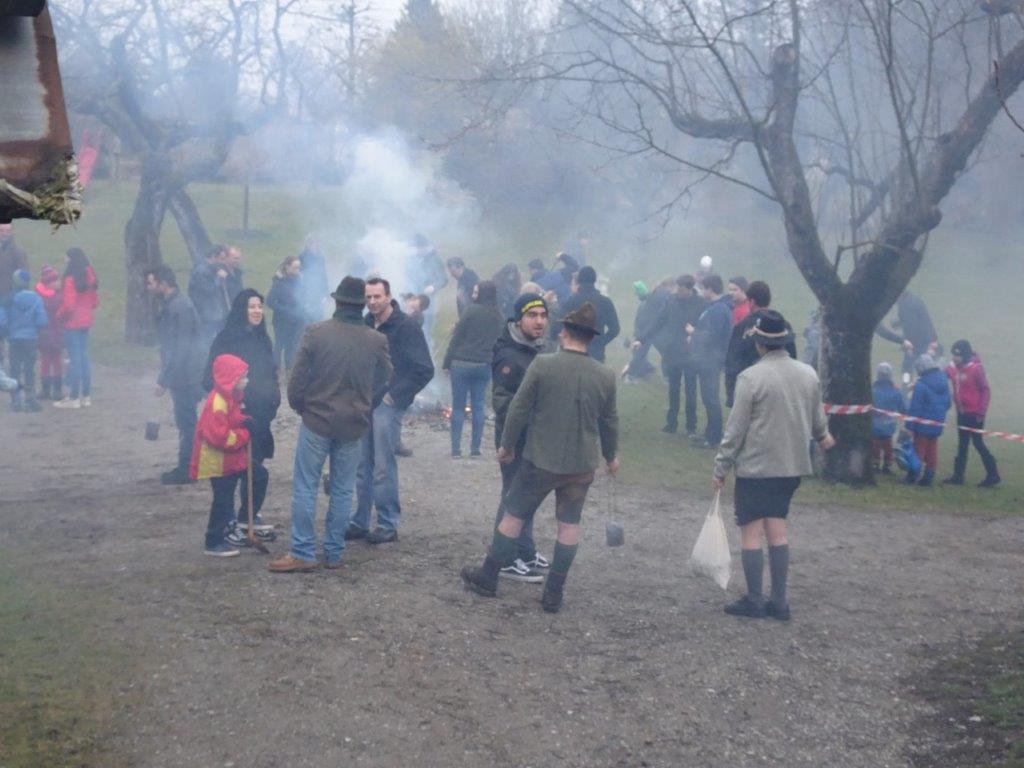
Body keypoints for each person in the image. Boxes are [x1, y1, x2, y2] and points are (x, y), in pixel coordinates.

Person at [461, 302, 619, 614]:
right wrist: (611, 456)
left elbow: (518, 408)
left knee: (513, 515)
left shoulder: (543, 365)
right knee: (569, 525)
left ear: (564, 332)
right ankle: (553, 594)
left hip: (540, 461)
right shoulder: (605, 375)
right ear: (591, 338)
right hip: (581, 466)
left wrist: (506, 445)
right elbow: (609, 421)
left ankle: (489, 576)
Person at [712, 310, 835, 621]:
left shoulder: (750, 378)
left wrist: (721, 466)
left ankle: (754, 599)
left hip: (756, 467)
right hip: (791, 467)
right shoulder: (808, 374)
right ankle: (779, 602)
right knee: (777, 529)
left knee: (752, 533)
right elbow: (817, 418)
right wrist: (823, 437)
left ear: (759, 344)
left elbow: (736, 430)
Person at [269, 277, 393, 572]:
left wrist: (301, 405)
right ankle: (334, 553)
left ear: (337, 302)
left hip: (317, 420)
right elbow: (386, 377)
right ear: (362, 305)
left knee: (306, 486)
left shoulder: (316, 333)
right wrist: (367, 404)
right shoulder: (375, 340)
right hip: (353, 423)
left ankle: (302, 551)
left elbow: (297, 377)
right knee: (342, 490)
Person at [349, 277, 434, 544]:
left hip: (387, 406)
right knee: (362, 464)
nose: (372, 302)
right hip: (364, 402)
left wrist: (393, 396)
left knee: (383, 465)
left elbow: (424, 369)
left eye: (377, 296)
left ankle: (387, 523)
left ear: (388, 296)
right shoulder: (364, 324)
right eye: (368, 297)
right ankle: (360, 521)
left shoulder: (406, 326)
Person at [204, 289, 281, 543]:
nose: (257, 311)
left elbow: (271, 372)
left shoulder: (263, 338)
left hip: (259, 417)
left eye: (259, 306)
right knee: (230, 474)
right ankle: (226, 524)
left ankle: (247, 516)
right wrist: (235, 402)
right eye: (251, 307)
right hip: (235, 417)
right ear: (241, 310)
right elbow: (210, 377)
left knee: (255, 468)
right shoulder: (227, 339)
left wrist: (274, 399)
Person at [490, 292, 553, 582]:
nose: (539, 321)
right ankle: (503, 557)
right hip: (514, 438)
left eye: (543, 315)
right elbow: (503, 403)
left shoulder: (534, 349)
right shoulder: (509, 355)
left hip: (533, 436)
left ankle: (524, 550)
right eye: (532, 315)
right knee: (513, 495)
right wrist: (510, 442)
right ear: (518, 320)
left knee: (527, 494)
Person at [146, 266, 206, 485]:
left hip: (187, 375)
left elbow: (180, 348)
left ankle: (187, 469)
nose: (148, 287)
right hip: (186, 373)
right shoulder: (175, 304)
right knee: (187, 421)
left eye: (151, 283)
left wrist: (164, 379)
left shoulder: (179, 307)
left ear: (163, 283)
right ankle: (190, 466)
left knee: (187, 423)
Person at [189, 354, 251, 558]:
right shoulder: (218, 401)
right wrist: (244, 434)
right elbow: (219, 436)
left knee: (225, 498)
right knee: (222, 500)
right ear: (231, 378)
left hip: (226, 460)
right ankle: (213, 541)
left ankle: (223, 534)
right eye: (243, 376)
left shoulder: (229, 397)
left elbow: (230, 421)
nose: (247, 381)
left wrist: (245, 420)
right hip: (217, 461)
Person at [632, 274, 706, 435]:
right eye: (677, 289)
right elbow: (658, 321)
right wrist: (641, 339)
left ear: (690, 289)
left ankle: (691, 426)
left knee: (691, 390)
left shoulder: (701, 303)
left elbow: (706, 327)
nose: (678, 292)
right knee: (673, 388)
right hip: (673, 351)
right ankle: (671, 423)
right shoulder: (671, 301)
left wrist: (696, 335)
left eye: (681, 290)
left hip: (691, 353)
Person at [443, 280, 504, 457]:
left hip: (461, 364)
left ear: (483, 294)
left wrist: (447, 362)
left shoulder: (470, 311)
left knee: (458, 407)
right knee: (478, 406)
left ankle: (456, 449)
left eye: (476, 292)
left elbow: (457, 339)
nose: (473, 295)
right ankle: (475, 449)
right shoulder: (498, 316)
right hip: (483, 365)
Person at [724, 281, 796, 407]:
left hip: (750, 387)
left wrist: (731, 395)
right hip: (780, 388)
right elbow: (792, 356)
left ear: (751, 301)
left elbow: (732, 361)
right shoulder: (783, 325)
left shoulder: (742, 327)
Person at [944, 339, 1000, 487]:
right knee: (962, 445)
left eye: (958, 355)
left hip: (975, 414)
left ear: (965, 355)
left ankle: (993, 475)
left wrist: (981, 413)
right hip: (961, 413)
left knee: (978, 443)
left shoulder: (976, 369)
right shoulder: (952, 368)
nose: (955, 358)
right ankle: (958, 476)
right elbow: (939, 375)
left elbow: (985, 391)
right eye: (953, 354)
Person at [689, 274, 732, 448]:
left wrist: (693, 333)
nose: (701, 292)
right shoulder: (714, 307)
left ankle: (714, 437)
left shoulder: (718, 310)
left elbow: (712, 335)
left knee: (711, 398)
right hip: (707, 359)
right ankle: (710, 432)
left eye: (703, 288)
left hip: (712, 360)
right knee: (708, 398)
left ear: (710, 289)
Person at [54, 248, 99, 409]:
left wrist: (58, 315)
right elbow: (95, 302)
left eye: (66, 257)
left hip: (72, 323)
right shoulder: (90, 275)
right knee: (84, 357)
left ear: (71, 259)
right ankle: (86, 396)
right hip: (86, 321)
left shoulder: (70, 278)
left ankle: (73, 397)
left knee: (75, 360)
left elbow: (69, 305)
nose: (65, 260)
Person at [905, 353, 952, 487]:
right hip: (937, 423)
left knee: (918, 451)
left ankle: (912, 476)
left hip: (922, 425)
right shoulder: (943, 381)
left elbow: (915, 408)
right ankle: (929, 476)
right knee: (932, 450)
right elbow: (948, 403)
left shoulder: (920, 385)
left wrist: (910, 426)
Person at [557, 266, 620, 362]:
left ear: (579, 280)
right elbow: (615, 329)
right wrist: (601, 342)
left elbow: (557, 326)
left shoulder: (571, 301)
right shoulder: (605, 302)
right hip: (596, 355)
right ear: (594, 280)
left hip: (572, 353)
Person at [5, 269, 47, 412]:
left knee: (14, 370)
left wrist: (8, 330)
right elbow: (42, 320)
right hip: (30, 339)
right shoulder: (36, 298)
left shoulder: (9, 299)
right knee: (29, 369)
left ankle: (16, 400)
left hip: (14, 339)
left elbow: (2, 319)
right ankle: (30, 399)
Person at [875, 291, 937, 384]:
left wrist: (909, 345)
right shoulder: (915, 299)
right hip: (927, 340)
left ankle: (906, 386)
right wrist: (898, 322)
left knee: (907, 369)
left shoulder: (904, 305)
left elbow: (911, 326)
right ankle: (924, 384)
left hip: (916, 344)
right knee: (925, 365)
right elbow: (920, 318)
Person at [267, 254, 305, 374]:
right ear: (287, 267)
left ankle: (289, 369)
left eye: (299, 267)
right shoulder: (279, 282)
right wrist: (285, 310)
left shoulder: (299, 280)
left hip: (296, 320)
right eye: (295, 267)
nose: (297, 270)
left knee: (292, 345)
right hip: (281, 321)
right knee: (280, 345)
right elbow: (270, 301)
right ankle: (276, 369)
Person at [0, 224, 28, 368]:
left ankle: (15, 367)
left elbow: (24, 275)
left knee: (13, 333)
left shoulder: (17, 252)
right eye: (2, 230)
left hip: (11, 298)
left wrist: (17, 295)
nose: (5, 233)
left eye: (8, 230)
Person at [35, 266, 63, 401]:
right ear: (48, 283)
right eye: (55, 280)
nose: (58, 282)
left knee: (45, 361)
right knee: (56, 361)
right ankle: (57, 390)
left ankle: (45, 389)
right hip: (56, 332)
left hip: (43, 334)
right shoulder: (58, 297)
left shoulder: (38, 296)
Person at [871, 362, 905, 474]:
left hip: (875, 424)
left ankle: (875, 464)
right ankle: (887, 465)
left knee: (875, 445)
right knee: (888, 445)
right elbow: (902, 407)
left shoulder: (872, 390)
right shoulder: (896, 390)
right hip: (890, 424)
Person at [297, 235, 330, 324]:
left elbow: (323, 275)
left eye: (319, 242)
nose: (318, 245)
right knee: (307, 318)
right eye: (315, 242)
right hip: (306, 292)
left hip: (318, 292)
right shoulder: (302, 257)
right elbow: (299, 275)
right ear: (308, 244)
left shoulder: (321, 257)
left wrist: (326, 291)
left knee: (319, 317)